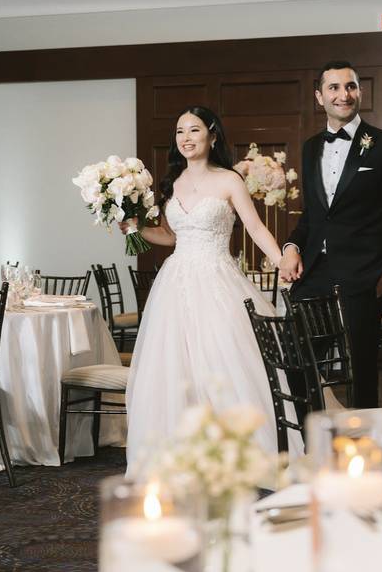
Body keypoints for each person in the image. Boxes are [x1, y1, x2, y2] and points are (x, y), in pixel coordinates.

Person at [119, 105, 302, 469]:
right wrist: (135, 228)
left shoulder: (229, 180)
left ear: (212, 135)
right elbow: (171, 236)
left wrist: (281, 257)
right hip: (175, 283)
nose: (186, 138)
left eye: (194, 130)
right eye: (180, 132)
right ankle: (183, 456)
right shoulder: (172, 182)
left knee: (223, 361)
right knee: (174, 366)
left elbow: (254, 227)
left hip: (218, 280)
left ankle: (237, 453)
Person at [279, 60, 382, 408]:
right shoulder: (311, 146)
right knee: (294, 362)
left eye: (350, 87)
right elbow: (313, 218)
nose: (343, 95)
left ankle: (366, 453)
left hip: (364, 276)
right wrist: (290, 246)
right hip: (314, 274)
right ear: (319, 96)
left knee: (360, 375)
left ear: (359, 92)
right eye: (334, 88)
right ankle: (312, 445)